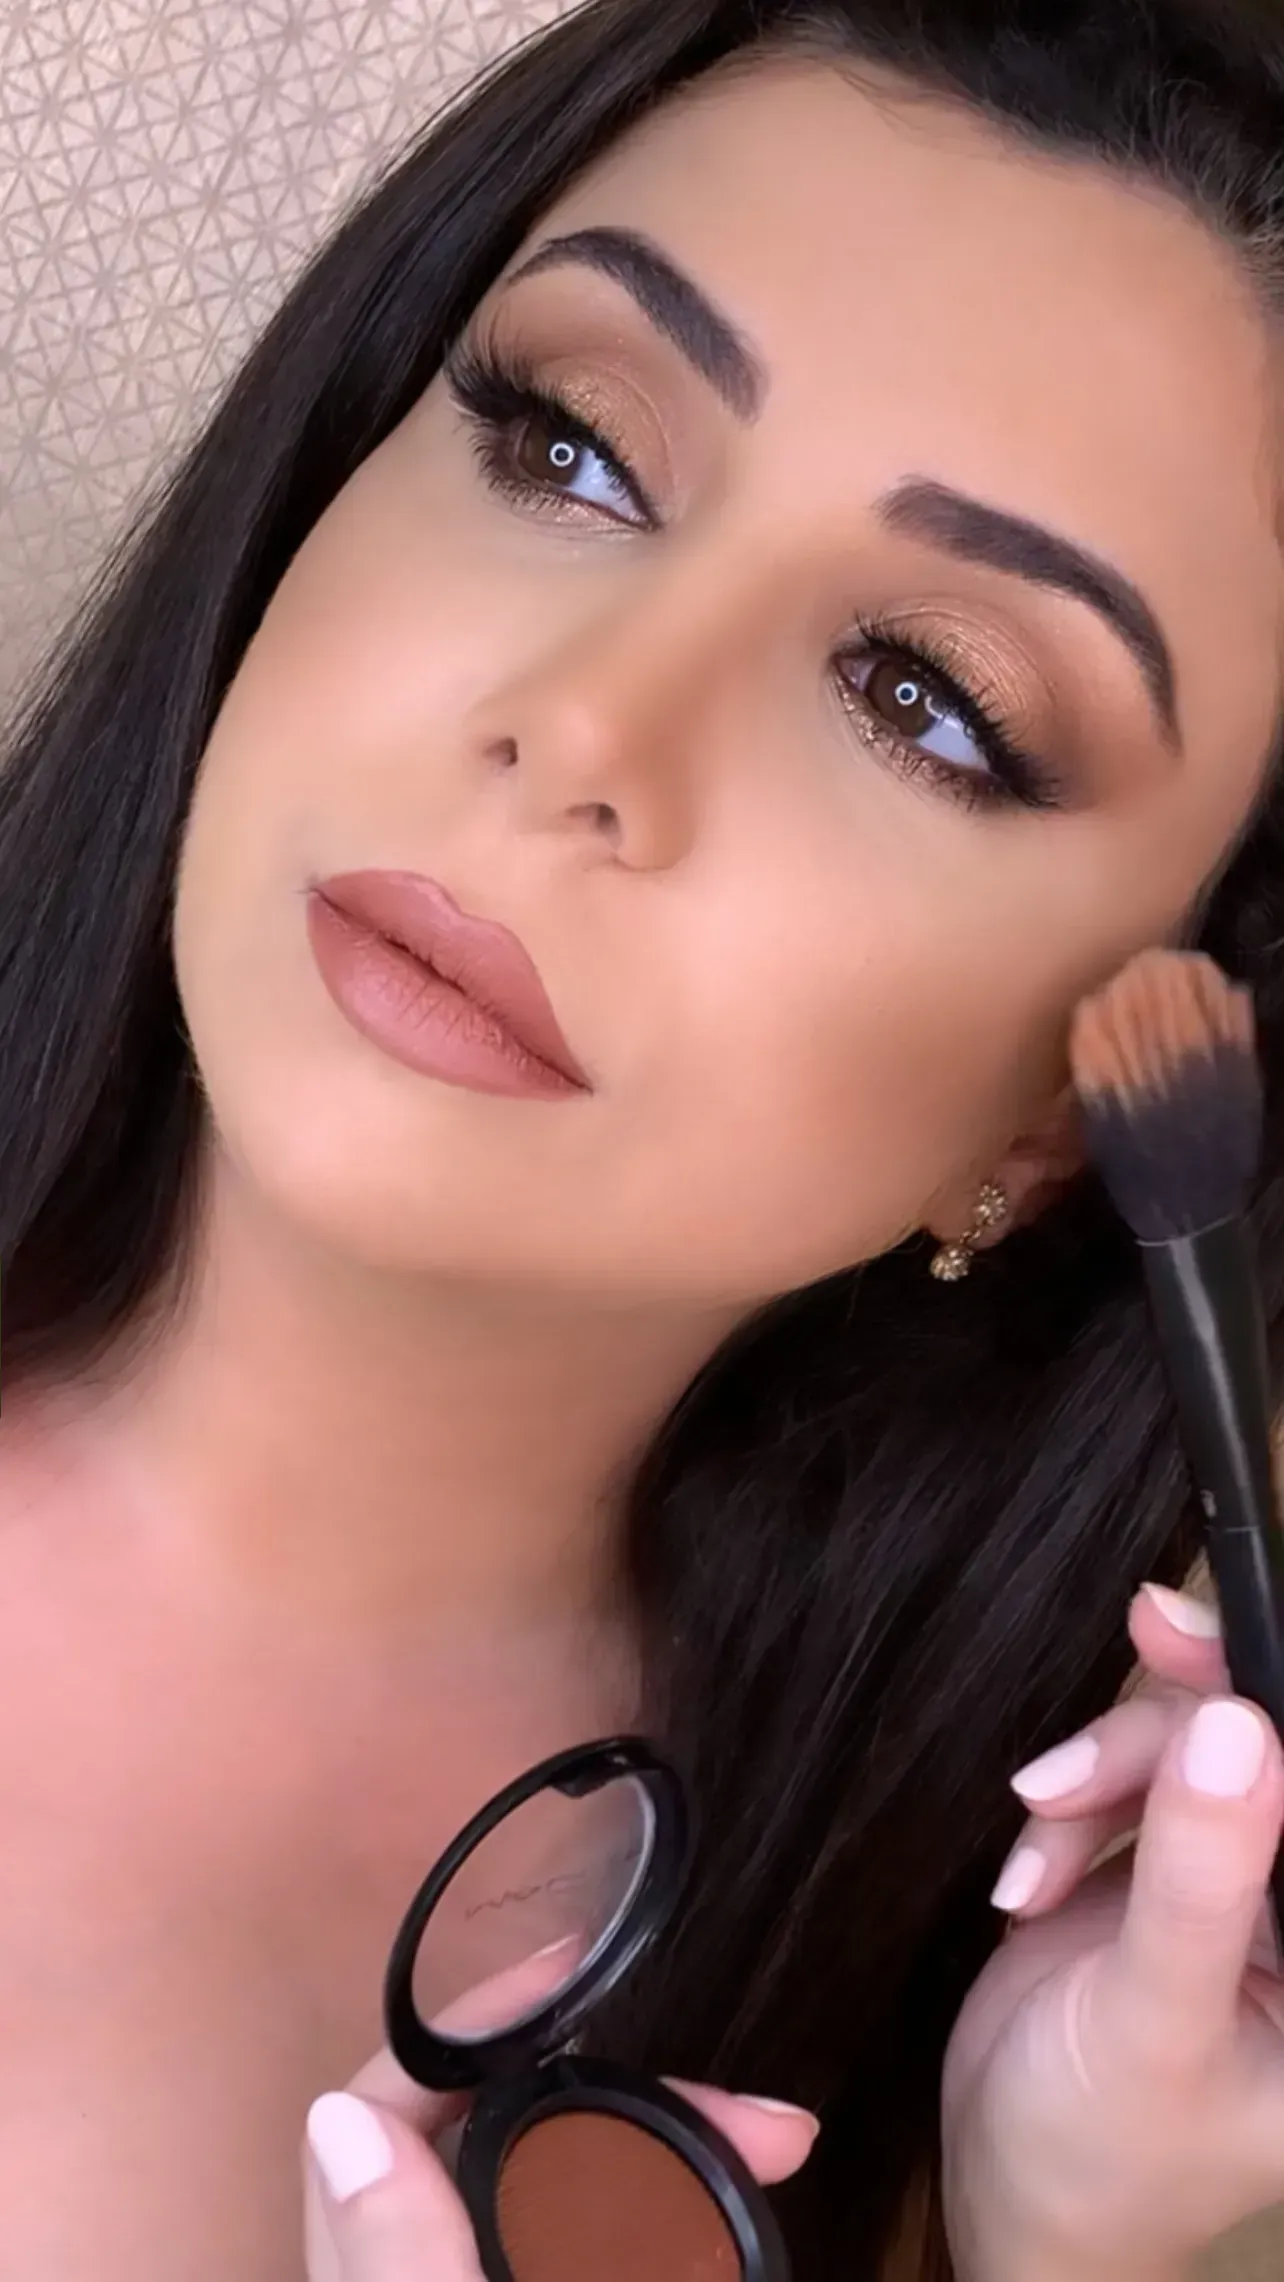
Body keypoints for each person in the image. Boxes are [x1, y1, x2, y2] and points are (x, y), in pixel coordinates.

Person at [4, 0, 1284, 2274]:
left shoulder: (865, 2052)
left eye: (926, 703)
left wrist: (1047, 2240)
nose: (583, 722)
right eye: (574, 448)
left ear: (1074, 1125)